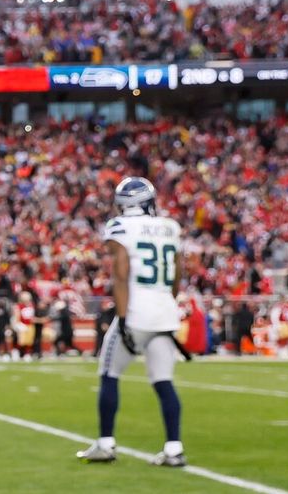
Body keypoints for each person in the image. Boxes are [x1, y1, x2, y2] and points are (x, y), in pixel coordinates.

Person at [78, 177, 187, 467]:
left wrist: (124, 318)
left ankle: (105, 443)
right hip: (165, 312)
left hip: (137, 311)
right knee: (164, 381)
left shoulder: (120, 226)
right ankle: (174, 448)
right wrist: (166, 302)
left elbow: (121, 273)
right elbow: (177, 274)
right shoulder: (169, 227)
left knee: (109, 372)